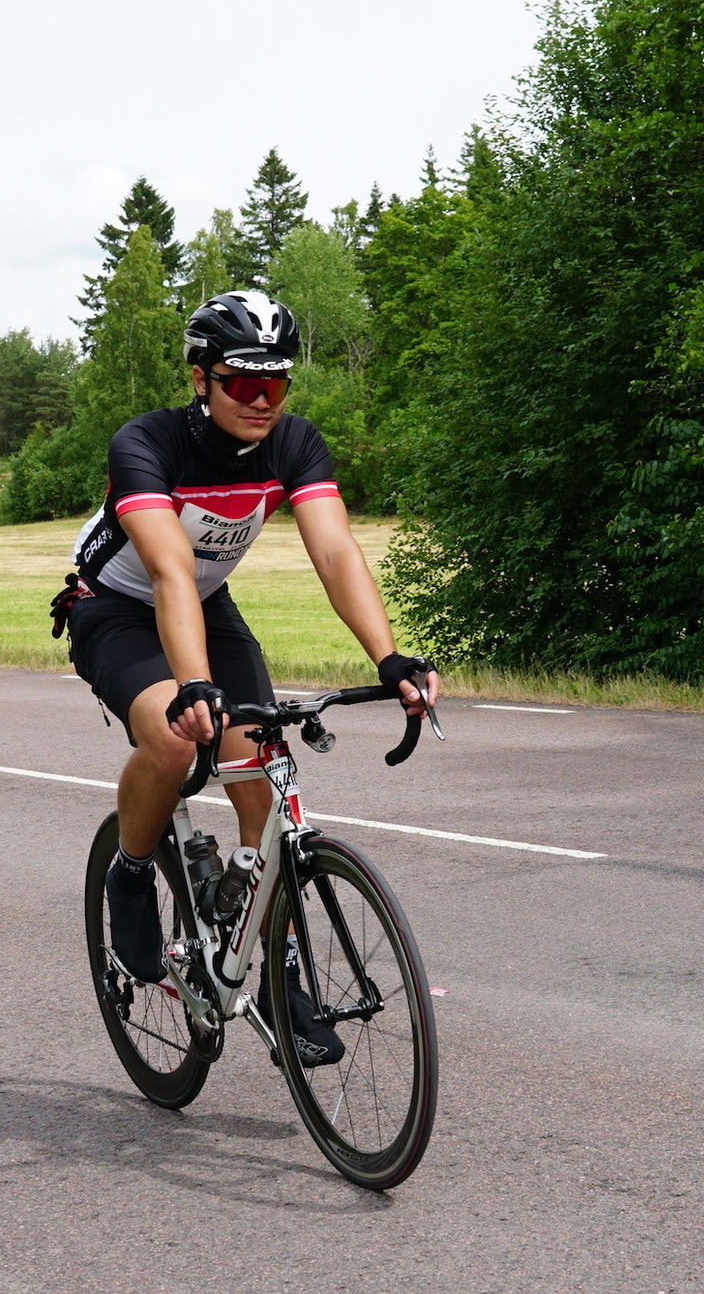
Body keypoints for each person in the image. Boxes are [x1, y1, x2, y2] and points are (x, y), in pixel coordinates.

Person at [58, 289, 438, 1066]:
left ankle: (277, 976)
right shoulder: (146, 443)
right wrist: (194, 686)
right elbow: (167, 569)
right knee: (175, 740)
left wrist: (390, 658)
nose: (263, 400)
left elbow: (334, 550)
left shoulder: (294, 443)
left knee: (263, 772)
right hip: (119, 607)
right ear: (201, 378)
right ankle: (131, 871)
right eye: (244, 382)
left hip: (204, 603)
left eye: (277, 383)